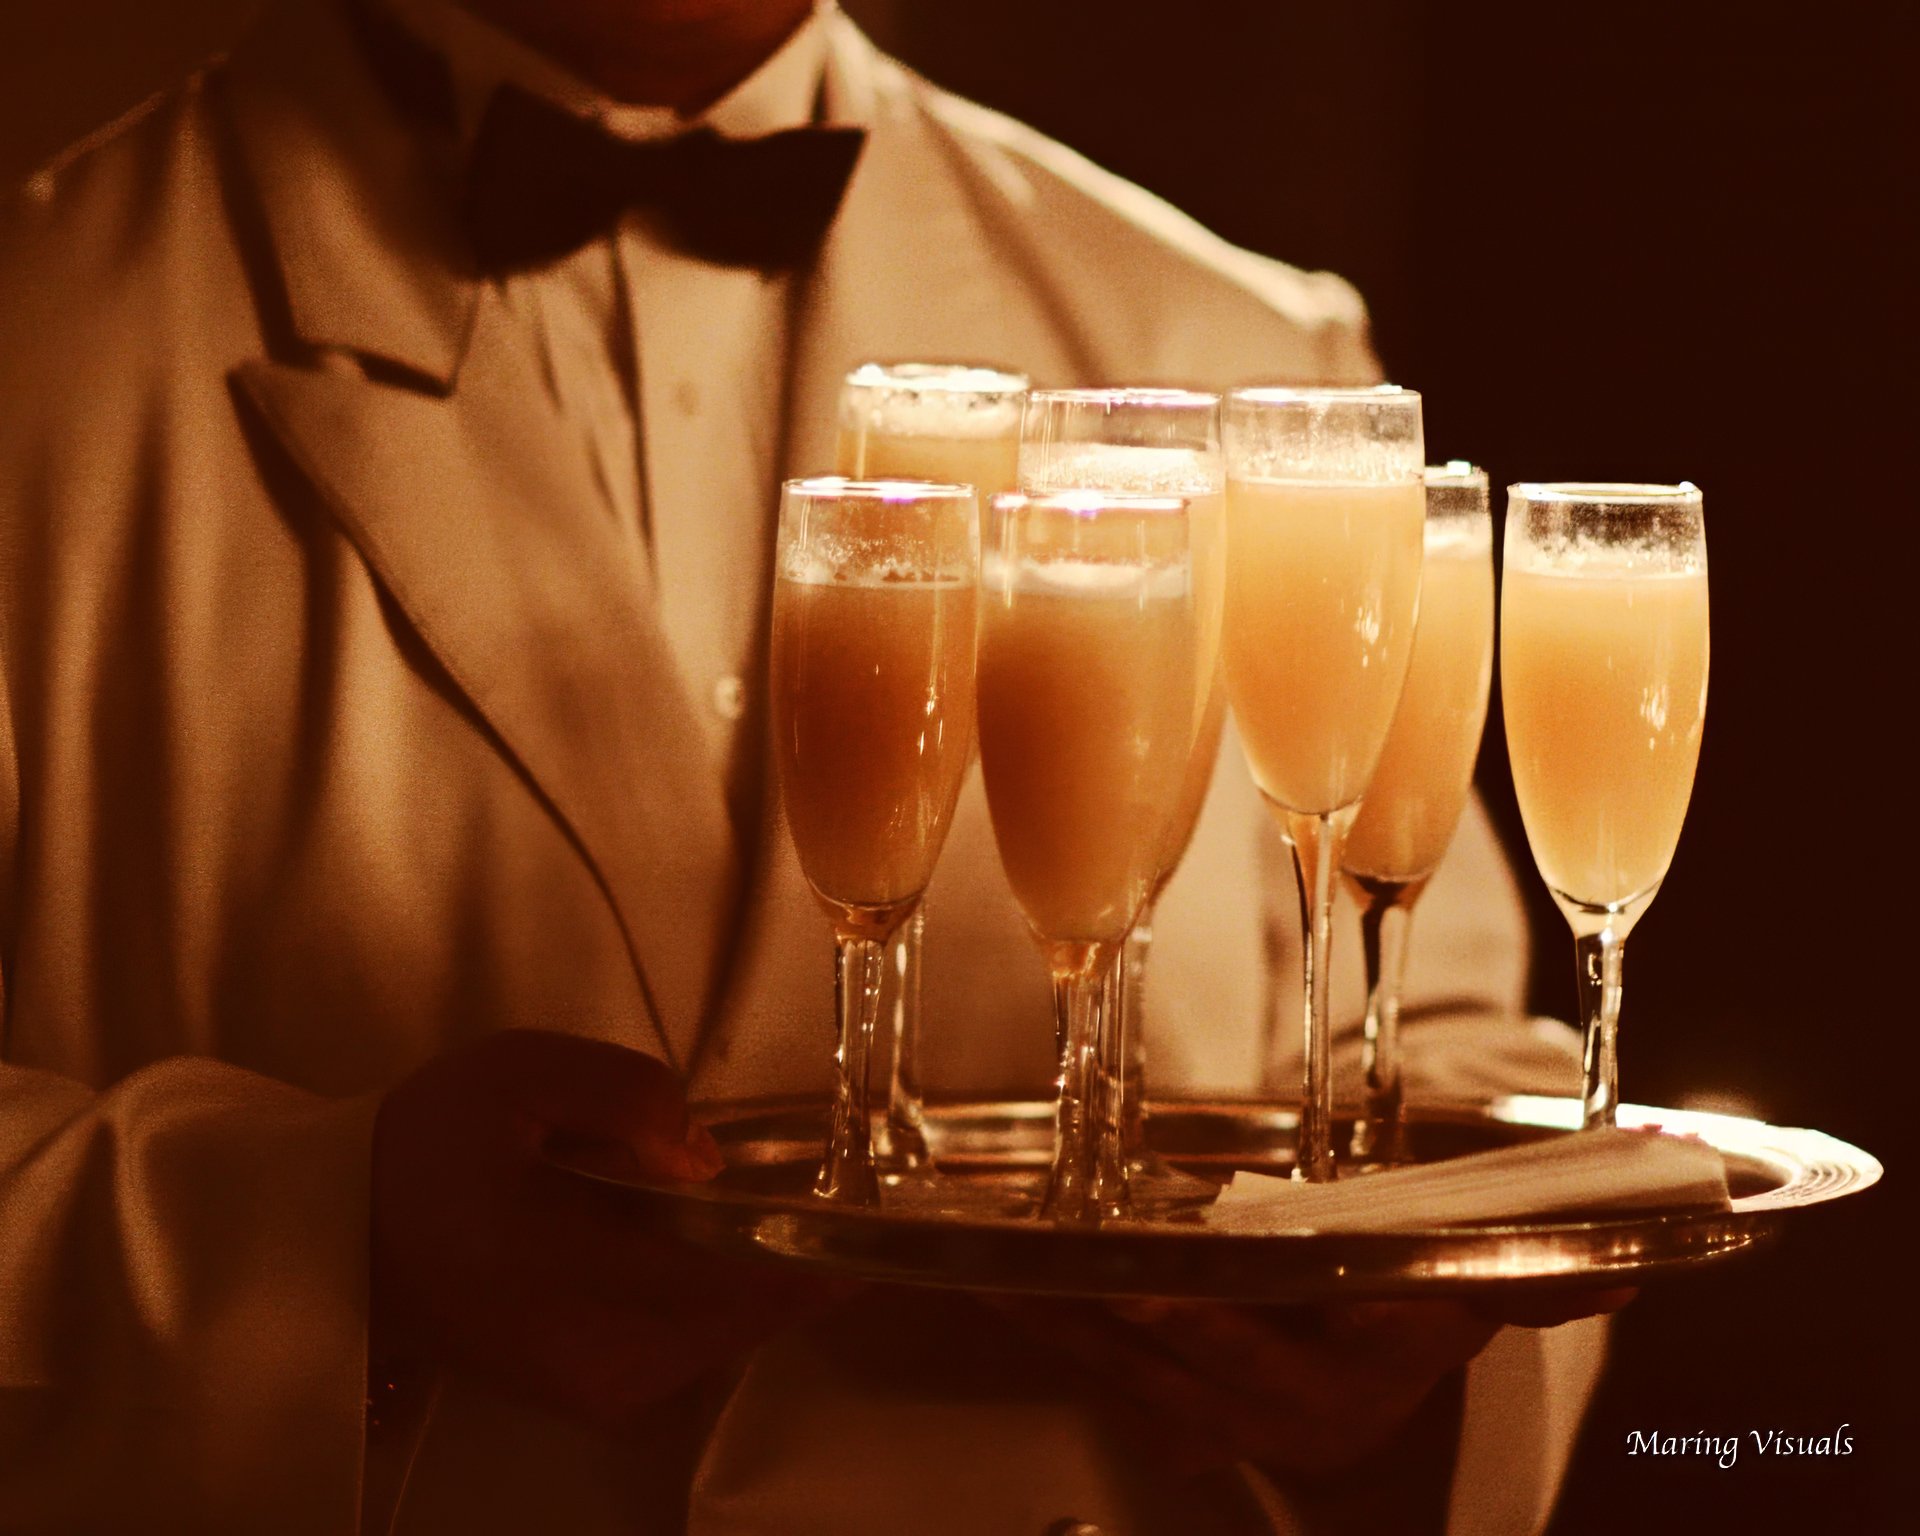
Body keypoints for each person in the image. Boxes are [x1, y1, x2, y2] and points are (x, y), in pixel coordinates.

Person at [0, 0, 1616, 1530]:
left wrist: (1407, 1373)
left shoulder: (1239, 340)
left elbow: (1437, 1049)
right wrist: (316, 1243)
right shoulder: (42, 337)